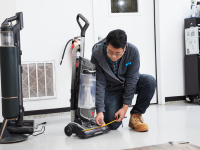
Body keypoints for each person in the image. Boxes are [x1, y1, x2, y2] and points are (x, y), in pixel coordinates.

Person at [91, 29, 156, 132]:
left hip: (127, 83)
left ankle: (136, 115)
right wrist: (100, 111)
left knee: (150, 81)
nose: (113, 56)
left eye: (118, 53)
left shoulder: (133, 51)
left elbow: (132, 79)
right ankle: (115, 105)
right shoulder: (97, 54)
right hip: (111, 88)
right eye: (110, 52)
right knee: (113, 125)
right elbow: (99, 83)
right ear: (106, 45)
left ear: (124, 48)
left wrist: (125, 108)